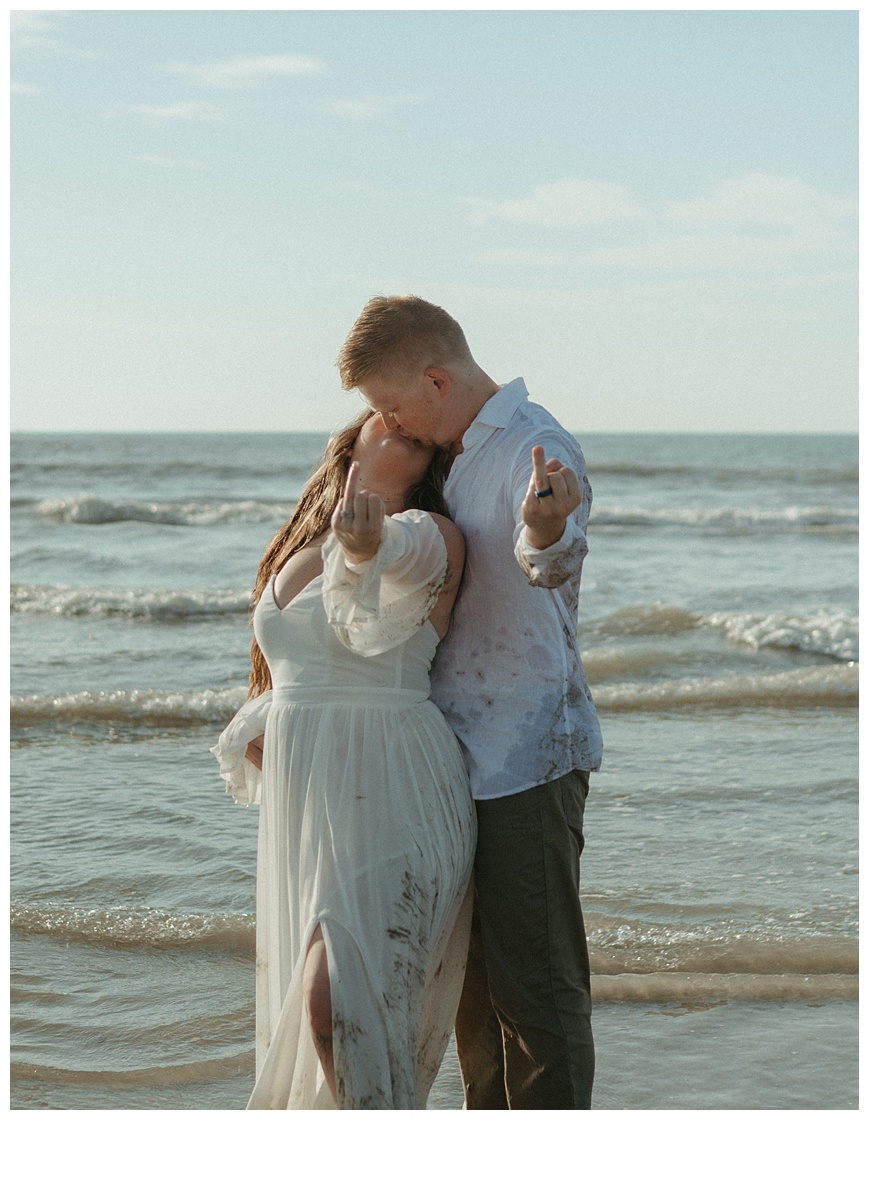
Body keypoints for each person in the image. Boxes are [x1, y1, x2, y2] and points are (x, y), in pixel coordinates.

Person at [338, 295, 603, 1109]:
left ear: (434, 377)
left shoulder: (536, 445)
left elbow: (551, 563)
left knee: (537, 986)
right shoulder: (451, 452)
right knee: (470, 993)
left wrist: (545, 530)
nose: (391, 423)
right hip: (450, 758)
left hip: (525, 755)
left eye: (390, 405)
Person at [211, 411, 476, 1109]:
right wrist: (263, 725)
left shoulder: (427, 536)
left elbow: (363, 630)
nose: (406, 420)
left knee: (338, 998)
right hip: (314, 802)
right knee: (319, 1002)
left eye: (423, 425)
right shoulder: (294, 548)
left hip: (398, 785)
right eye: (388, 412)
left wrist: (361, 555)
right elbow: (290, 669)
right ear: (350, 438)